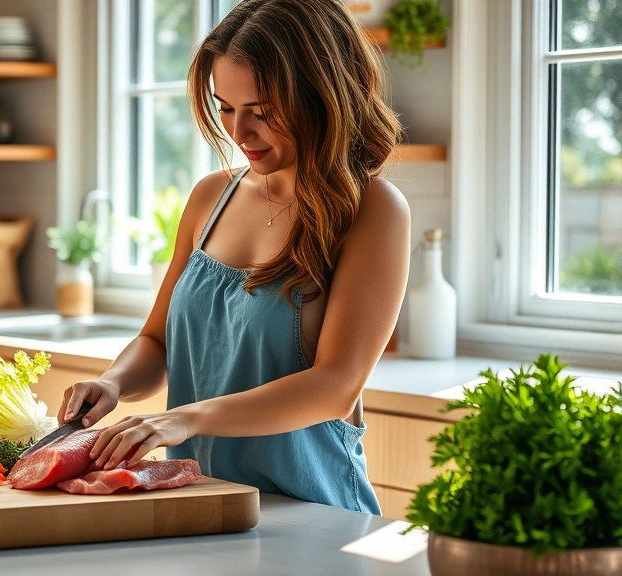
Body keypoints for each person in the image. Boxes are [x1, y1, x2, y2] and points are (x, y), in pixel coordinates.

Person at [58, 0, 410, 515]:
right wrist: (111, 382)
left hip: (315, 514)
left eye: (262, 112)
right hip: (203, 506)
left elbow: (335, 386)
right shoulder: (210, 197)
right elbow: (157, 342)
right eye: (225, 107)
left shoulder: (372, 210)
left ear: (322, 95)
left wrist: (189, 418)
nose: (238, 132)